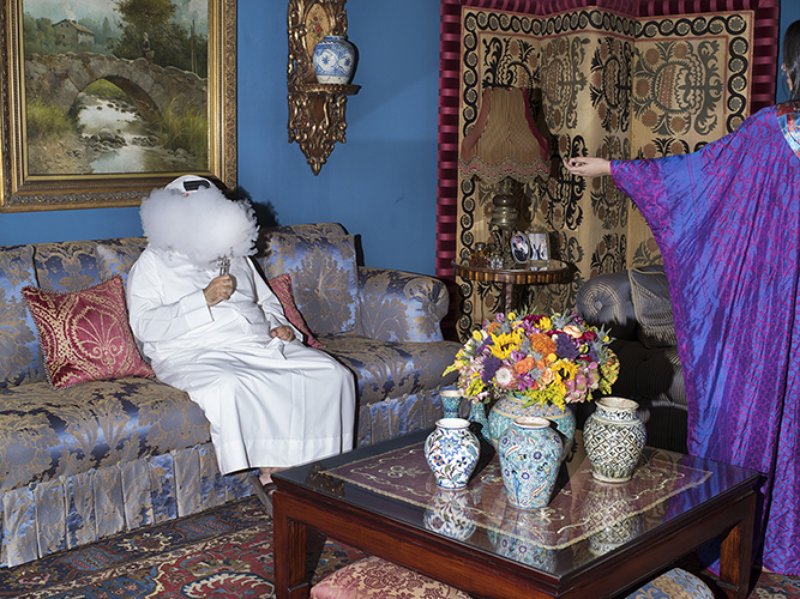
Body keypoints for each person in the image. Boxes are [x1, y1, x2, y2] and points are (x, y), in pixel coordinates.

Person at [563, 20, 800, 576]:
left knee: (745, 414)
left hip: (764, 310)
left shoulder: (771, 130)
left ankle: (736, 540)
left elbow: (692, 180)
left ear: (791, 71)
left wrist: (612, 167)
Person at [126, 175, 356, 514]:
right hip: (195, 353)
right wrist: (202, 300)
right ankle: (272, 474)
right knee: (232, 385)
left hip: (256, 344)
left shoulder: (235, 253)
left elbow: (266, 302)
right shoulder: (153, 262)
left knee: (332, 374)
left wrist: (279, 326)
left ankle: (319, 472)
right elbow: (144, 325)